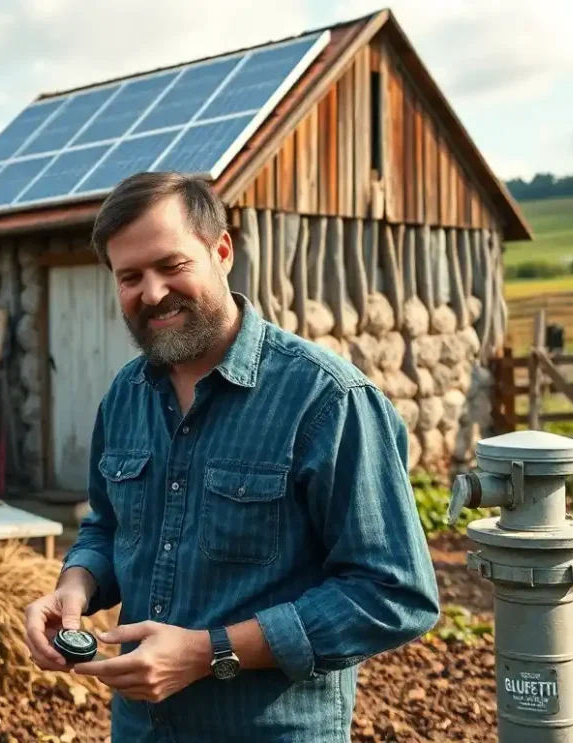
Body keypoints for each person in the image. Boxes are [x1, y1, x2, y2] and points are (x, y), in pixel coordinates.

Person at [23, 171, 440, 741]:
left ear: (221, 251)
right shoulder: (126, 394)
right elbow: (108, 525)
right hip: (141, 729)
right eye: (130, 277)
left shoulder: (326, 399)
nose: (152, 293)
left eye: (171, 265)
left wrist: (207, 652)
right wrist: (75, 588)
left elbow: (393, 592)